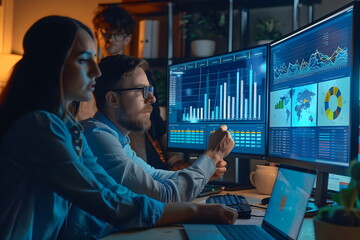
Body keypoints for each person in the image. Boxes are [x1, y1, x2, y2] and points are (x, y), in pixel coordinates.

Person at [0, 15, 237, 239]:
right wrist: (196, 207)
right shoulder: (41, 128)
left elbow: (115, 192)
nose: (96, 71)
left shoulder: (68, 128)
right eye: (84, 60)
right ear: (54, 65)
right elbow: (109, 203)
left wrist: (201, 171)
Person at [91, 4, 190, 170]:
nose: (111, 39)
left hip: (136, 149)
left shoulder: (140, 74)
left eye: (118, 34)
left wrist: (175, 160)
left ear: (128, 38)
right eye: (106, 32)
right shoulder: (88, 75)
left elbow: (155, 120)